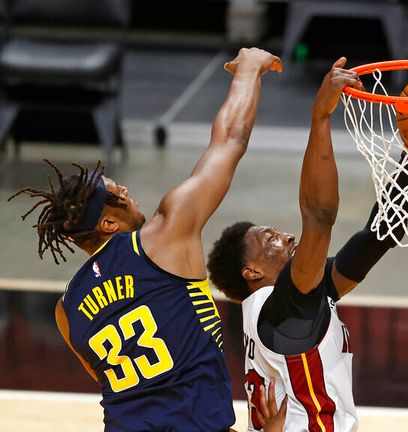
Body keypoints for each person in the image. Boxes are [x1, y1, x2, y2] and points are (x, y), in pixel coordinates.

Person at [8, 47, 282, 431]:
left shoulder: (66, 311)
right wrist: (250, 68)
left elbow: (124, 386)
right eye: (116, 194)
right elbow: (230, 141)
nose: (126, 192)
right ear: (107, 223)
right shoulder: (164, 236)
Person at [206, 57, 408, 432]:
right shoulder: (284, 310)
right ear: (252, 272)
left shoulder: (288, 307)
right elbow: (319, 216)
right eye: (270, 239)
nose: (287, 236)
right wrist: (320, 117)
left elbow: (380, 235)